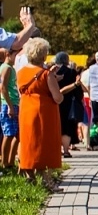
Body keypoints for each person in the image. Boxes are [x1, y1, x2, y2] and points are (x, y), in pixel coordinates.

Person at [17, 38, 63, 180]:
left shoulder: (21, 72)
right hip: (43, 112)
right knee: (44, 142)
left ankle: (28, 172)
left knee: (28, 141)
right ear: (43, 55)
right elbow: (58, 97)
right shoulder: (46, 74)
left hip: (26, 110)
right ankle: (45, 177)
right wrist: (54, 80)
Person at [52, 53, 82, 158]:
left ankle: (57, 150)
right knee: (67, 128)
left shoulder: (52, 72)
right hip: (69, 103)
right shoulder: (71, 72)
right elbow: (79, 90)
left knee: (58, 126)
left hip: (55, 103)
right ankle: (65, 150)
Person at [0, 47, 20, 169]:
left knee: (15, 134)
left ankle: (11, 162)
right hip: (9, 104)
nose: (16, 58)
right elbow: (3, 87)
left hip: (14, 103)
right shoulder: (6, 68)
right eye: (15, 56)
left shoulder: (11, 68)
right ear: (8, 54)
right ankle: (5, 162)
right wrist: (9, 106)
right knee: (8, 134)